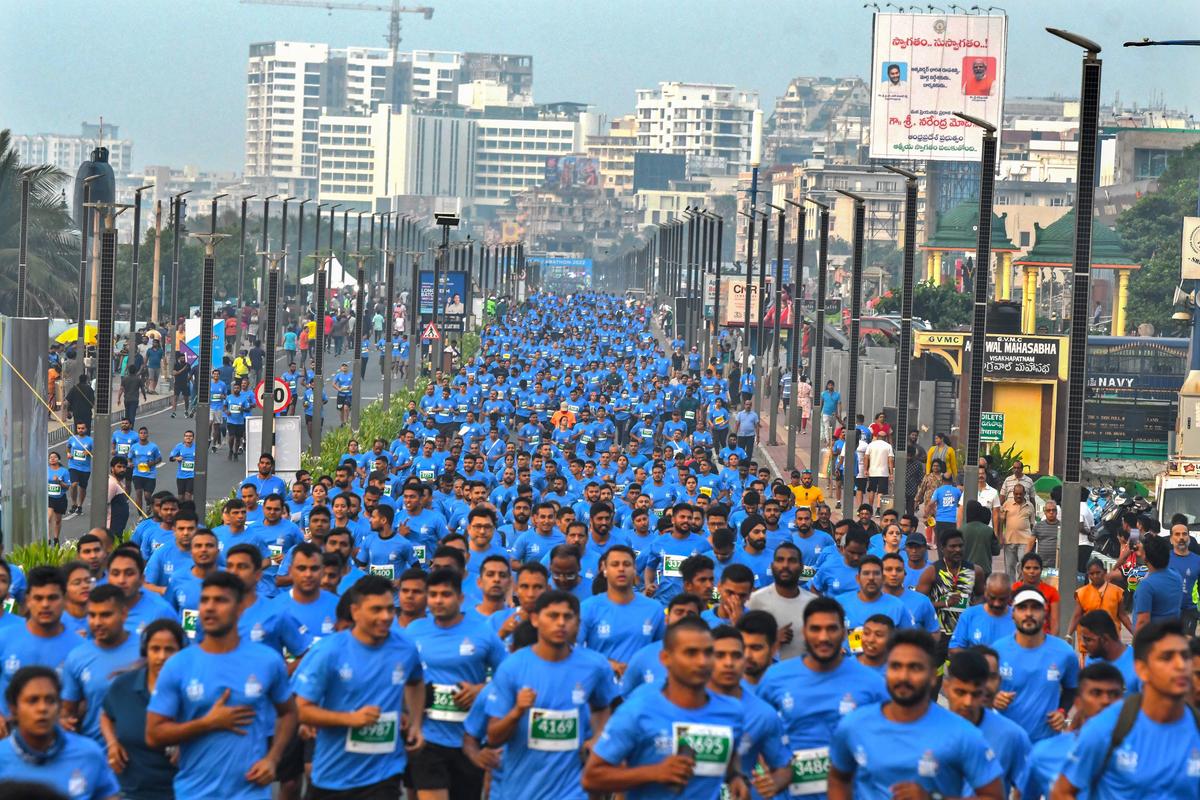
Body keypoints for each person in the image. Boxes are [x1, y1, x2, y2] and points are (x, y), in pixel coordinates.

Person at [146, 571, 298, 799]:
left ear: (240, 609)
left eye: (220, 600)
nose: (209, 607)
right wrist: (207, 723)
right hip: (194, 792)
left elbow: (288, 713)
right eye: (205, 600)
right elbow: (154, 733)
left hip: (250, 791)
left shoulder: (267, 661)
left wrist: (273, 758)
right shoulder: (178, 664)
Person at [583, 617, 750, 800]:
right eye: (691, 653)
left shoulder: (732, 711)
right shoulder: (638, 710)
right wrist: (654, 772)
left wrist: (735, 777)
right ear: (665, 658)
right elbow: (591, 777)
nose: (702, 662)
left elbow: (730, 757)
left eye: (709, 653)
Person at [828, 629, 1004, 799]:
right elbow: (838, 778)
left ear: (933, 675)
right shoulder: (854, 725)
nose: (904, 676)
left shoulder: (963, 733)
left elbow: (993, 796)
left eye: (915, 668)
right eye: (896, 666)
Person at [293, 575, 426, 799]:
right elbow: (302, 709)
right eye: (376, 610)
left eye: (389, 609)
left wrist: (414, 723)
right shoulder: (329, 651)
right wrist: (351, 719)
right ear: (355, 612)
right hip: (333, 776)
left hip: (384, 774)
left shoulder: (405, 648)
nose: (385, 617)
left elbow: (415, 682)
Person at [486, 590, 620, 800]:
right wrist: (517, 712)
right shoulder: (512, 667)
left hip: (573, 791)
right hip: (521, 789)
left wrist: (596, 739)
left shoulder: (595, 666)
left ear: (577, 622)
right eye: (552, 616)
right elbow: (493, 736)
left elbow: (604, 707)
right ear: (535, 619)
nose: (560, 623)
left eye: (567, 617)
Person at [756, 596, 888, 798]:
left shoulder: (873, 683)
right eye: (815, 629)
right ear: (804, 632)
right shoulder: (775, 678)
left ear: (843, 633)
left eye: (832, 629)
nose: (823, 637)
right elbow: (757, 733)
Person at [1052, 621, 1200, 799]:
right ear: (1141, 669)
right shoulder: (1108, 727)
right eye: (1167, 657)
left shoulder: (1195, 725)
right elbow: (1062, 792)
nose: (1180, 666)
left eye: (1185, 657)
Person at [406, 568, 506, 800]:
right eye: (433, 595)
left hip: (469, 738)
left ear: (460, 598)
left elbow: (508, 676)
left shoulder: (483, 632)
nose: (438, 600)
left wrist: (481, 690)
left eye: (446, 594)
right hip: (429, 737)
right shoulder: (414, 631)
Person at [0, 665, 121, 799]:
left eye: (50, 700)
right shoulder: (2, 757)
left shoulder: (88, 753)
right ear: (13, 709)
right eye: (32, 701)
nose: (42, 708)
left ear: (59, 706)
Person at [99, 619, 185, 800]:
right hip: (130, 791)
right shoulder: (123, 685)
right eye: (155, 649)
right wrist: (112, 743)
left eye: (169, 650)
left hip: (180, 792)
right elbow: (106, 715)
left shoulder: (192, 690)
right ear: (145, 651)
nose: (161, 656)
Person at [1020, 661, 1125, 800]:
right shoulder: (1044, 753)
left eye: (1114, 694)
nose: (1106, 701)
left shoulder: (1141, 749)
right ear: (1078, 702)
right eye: (1096, 693)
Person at [0, 566, 82, 730]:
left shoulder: (80, 648)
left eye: (52, 598)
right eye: (38, 598)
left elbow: (84, 700)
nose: (45, 605)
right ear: (28, 600)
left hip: (58, 742)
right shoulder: (3, 638)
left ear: (65, 599)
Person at [992, 587, 1078, 742]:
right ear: (1013, 614)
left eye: (1035, 608)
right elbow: (983, 690)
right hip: (1005, 744)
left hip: (1046, 745)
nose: (1029, 613)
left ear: (1045, 613)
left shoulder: (1064, 652)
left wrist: (1062, 711)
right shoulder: (997, 651)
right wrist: (993, 698)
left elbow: (1072, 689)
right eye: (1022, 607)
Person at [61, 584, 141, 743]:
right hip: (95, 755)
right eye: (92, 615)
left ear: (124, 614)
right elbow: (68, 714)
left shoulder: (145, 650)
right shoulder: (77, 657)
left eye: (105, 615)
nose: (97, 622)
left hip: (140, 756)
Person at [580, 545, 666, 678]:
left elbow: (661, 651)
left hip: (640, 689)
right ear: (604, 570)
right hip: (601, 687)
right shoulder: (588, 608)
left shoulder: (654, 609)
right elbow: (576, 650)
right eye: (615, 564)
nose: (621, 569)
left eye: (626, 564)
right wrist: (607, 664)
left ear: (634, 570)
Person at [746, 542, 817, 660]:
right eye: (780, 560)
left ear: (801, 567)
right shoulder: (755, 601)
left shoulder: (813, 604)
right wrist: (773, 639)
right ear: (773, 566)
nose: (785, 565)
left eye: (792, 560)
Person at [1077, 609, 1141, 693]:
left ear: (1105, 639)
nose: (1083, 645)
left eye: (1088, 640)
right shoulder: (1091, 661)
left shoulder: (1139, 661)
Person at [1132, 532, 1182, 630]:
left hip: (1152, 641)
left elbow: (1143, 622)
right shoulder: (1176, 576)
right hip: (1172, 636)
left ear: (1146, 558)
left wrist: (1137, 644)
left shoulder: (1147, 586)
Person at [998, 483, 1035, 580]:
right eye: (1016, 494)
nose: (1018, 496)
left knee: (1022, 566)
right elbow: (1001, 521)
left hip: (1024, 541)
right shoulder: (1006, 504)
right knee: (1009, 567)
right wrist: (1000, 536)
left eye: (1020, 494)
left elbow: (1032, 524)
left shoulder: (1030, 506)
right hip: (1009, 540)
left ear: (1024, 493)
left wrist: (1032, 541)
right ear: (1013, 494)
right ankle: (1011, 590)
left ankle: (1020, 588)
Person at [925, 469, 961, 546]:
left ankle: (941, 557)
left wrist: (927, 514)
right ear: (952, 480)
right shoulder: (957, 491)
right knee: (952, 543)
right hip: (953, 521)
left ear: (942, 480)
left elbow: (930, 504)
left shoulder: (938, 491)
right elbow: (961, 504)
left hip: (940, 520)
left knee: (940, 544)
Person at [47, 451, 70, 545]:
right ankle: (48, 539)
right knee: (48, 518)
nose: (52, 458)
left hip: (60, 498)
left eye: (54, 457)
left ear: (58, 459)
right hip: (49, 497)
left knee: (57, 520)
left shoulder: (64, 471)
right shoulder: (46, 470)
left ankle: (56, 539)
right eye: (50, 457)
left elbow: (67, 486)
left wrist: (59, 482)